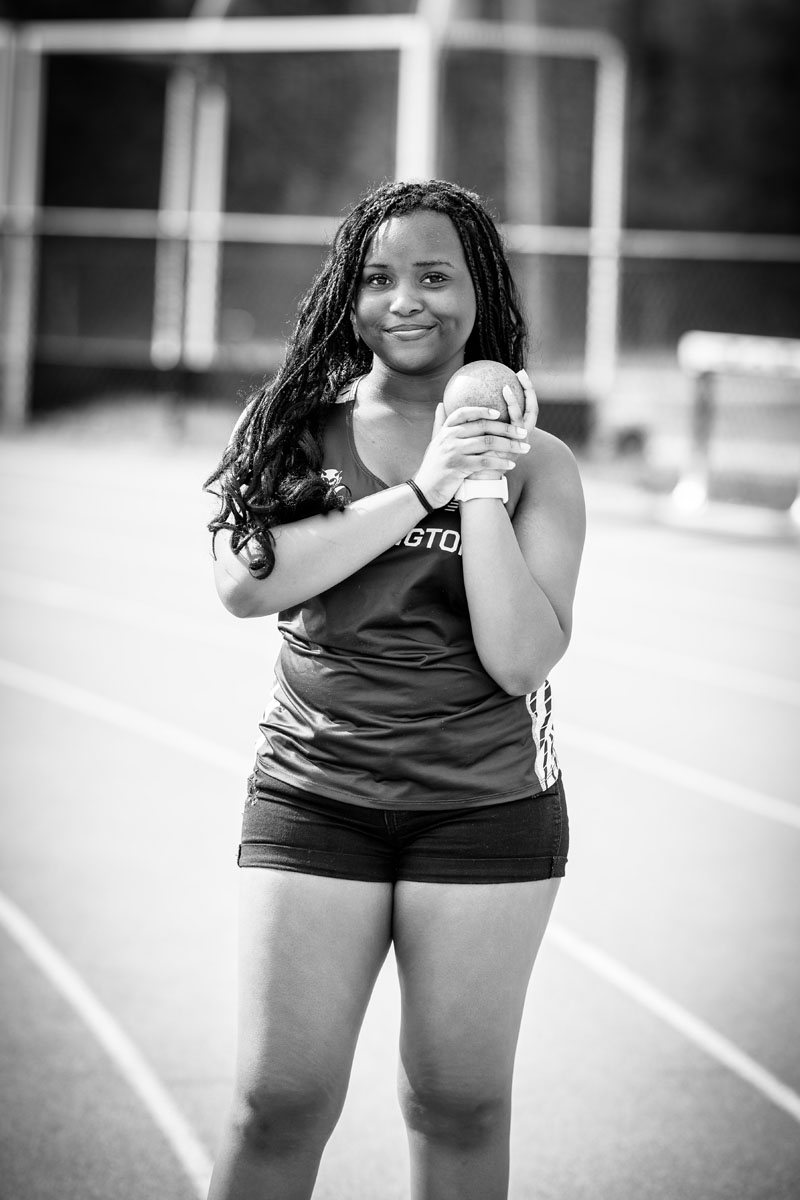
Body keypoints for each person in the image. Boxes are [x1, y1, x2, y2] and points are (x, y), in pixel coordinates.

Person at [203, 177, 585, 1200]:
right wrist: (420, 489)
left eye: (433, 277)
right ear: (347, 295)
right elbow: (245, 584)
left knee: (458, 1106)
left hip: (482, 806)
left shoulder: (541, 465)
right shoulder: (293, 425)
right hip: (314, 794)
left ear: (479, 291)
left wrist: (480, 481)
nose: (404, 300)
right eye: (377, 279)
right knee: (275, 1101)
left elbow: (519, 659)